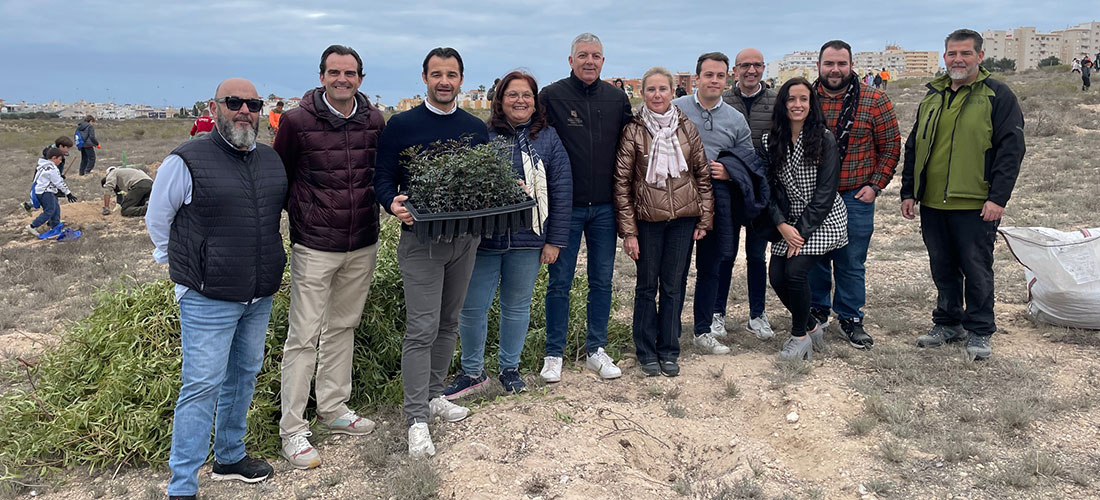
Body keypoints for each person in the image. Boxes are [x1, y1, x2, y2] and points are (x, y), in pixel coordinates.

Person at [146, 78, 287, 500]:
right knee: (201, 385)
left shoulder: (270, 159)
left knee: (243, 376)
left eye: (253, 104)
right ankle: (183, 485)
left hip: (258, 293)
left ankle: (229, 456)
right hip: (207, 297)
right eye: (234, 102)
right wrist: (187, 271)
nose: (245, 110)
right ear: (215, 106)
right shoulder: (185, 160)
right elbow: (159, 220)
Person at [271, 45, 387, 470]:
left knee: (342, 327)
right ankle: (293, 430)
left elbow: (381, 173)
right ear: (321, 76)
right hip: (315, 244)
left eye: (350, 72)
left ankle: (334, 408)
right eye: (335, 72)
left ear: (360, 77)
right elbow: (279, 179)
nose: (343, 79)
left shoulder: (374, 120)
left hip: (362, 242)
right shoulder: (297, 122)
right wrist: (303, 217)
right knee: (302, 337)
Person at [374, 47, 489, 458]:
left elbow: (488, 180)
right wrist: (393, 203)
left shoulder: (475, 128)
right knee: (421, 328)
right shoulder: (402, 125)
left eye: (452, 74)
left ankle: (436, 395)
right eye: (437, 74)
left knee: (448, 321)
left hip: (465, 239)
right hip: (421, 241)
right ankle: (416, 418)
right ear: (424, 77)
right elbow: (383, 178)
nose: (445, 81)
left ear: (461, 80)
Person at [446, 71, 573, 399]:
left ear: (535, 101)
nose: (520, 100)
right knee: (473, 307)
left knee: (516, 306)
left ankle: (509, 368)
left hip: (529, 238)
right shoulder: (483, 135)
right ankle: (472, 371)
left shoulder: (548, 139)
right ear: (500, 100)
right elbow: (468, 185)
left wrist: (555, 240)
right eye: (513, 94)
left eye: (527, 95)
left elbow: (561, 190)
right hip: (486, 239)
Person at [902, 29, 1025, 361]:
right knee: (942, 266)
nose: (958, 59)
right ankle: (948, 322)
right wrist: (909, 191)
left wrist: (998, 198)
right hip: (932, 202)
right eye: (952, 54)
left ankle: (980, 329)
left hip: (975, 203)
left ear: (980, 56)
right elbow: (914, 146)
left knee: (977, 267)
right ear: (944, 57)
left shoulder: (997, 95)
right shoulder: (932, 96)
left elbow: (1010, 151)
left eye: (965, 53)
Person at [538, 32, 633, 382]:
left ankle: (596, 349)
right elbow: (535, 140)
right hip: (567, 208)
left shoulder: (617, 99)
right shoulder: (551, 96)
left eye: (595, 56)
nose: (589, 61)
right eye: (582, 55)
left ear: (603, 61)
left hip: (606, 208)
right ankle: (554, 353)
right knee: (559, 282)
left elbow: (631, 147)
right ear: (570, 60)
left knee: (602, 281)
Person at [615, 66, 713, 377]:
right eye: (651, 90)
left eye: (663, 89)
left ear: (673, 92)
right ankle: (645, 351)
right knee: (646, 287)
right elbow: (621, 183)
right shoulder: (633, 130)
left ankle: (669, 349)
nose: (657, 95)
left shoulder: (686, 128)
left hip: (683, 220)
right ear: (642, 94)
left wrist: (704, 218)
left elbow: (702, 175)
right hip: (648, 221)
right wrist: (629, 232)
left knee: (673, 286)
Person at [808, 40, 901, 350]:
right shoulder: (805, 99)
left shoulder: (874, 99)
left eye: (841, 64)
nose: (835, 70)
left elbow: (890, 146)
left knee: (850, 261)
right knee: (815, 256)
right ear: (818, 65)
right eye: (829, 64)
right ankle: (816, 310)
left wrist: (875, 185)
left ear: (851, 65)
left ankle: (850, 317)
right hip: (814, 195)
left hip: (854, 195)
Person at [671, 52, 753, 355]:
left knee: (710, 268)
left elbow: (748, 160)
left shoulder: (735, 119)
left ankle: (703, 330)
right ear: (697, 78)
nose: (714, 81)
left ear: (727, 78)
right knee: (675, 270)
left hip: (718, 202)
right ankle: (669, 330)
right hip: (678, 201)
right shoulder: (674, 109)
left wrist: (731, 171)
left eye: (720, 76)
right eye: (709, 75)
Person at [762, 77, 848, 361]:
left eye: (803, 99)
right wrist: (782, 225)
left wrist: (800, 231)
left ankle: (799, 337)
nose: (797, 105)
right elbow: (769, 188)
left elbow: (826, 191)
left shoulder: (824, 138)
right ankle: (812, 324)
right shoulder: (770, 139)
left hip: (821, 218)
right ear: (783, 103)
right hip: (786, 220)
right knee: (776, 276)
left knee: (795, 272)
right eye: (791, 99)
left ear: (811, 105)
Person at [721, 47, 778, 340]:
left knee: (757, 256)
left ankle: (757, 314)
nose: (750, 71)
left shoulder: (776, 101)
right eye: (745, 66)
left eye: (756, 65)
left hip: (760, 193)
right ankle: (717, 312)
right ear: (735, 71)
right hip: (729, 191)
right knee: (725, 255)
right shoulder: (723, 100)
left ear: (764, 68)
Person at [26, 148, 77, 238]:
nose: (61, 162)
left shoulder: (43, 166)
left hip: (44, 191)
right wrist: (68, 193)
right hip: (45, 192)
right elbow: (59, 183)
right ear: (54, 158)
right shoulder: (52, 168)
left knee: (56, 208)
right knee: (49, 211)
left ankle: (55, 227)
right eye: (60, 159)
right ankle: (32, 226)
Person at [22, 137, 75, 214]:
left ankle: (29, 205)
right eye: (67, 148)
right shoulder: (51, 156)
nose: (68, 150)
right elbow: (50, 171)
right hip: (46, 181)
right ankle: (52, 220)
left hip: (50, 180)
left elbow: (56, 170)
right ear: (61, 146)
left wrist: (59, 176)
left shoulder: (56, 154)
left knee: (50, 198)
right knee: (50, 198)